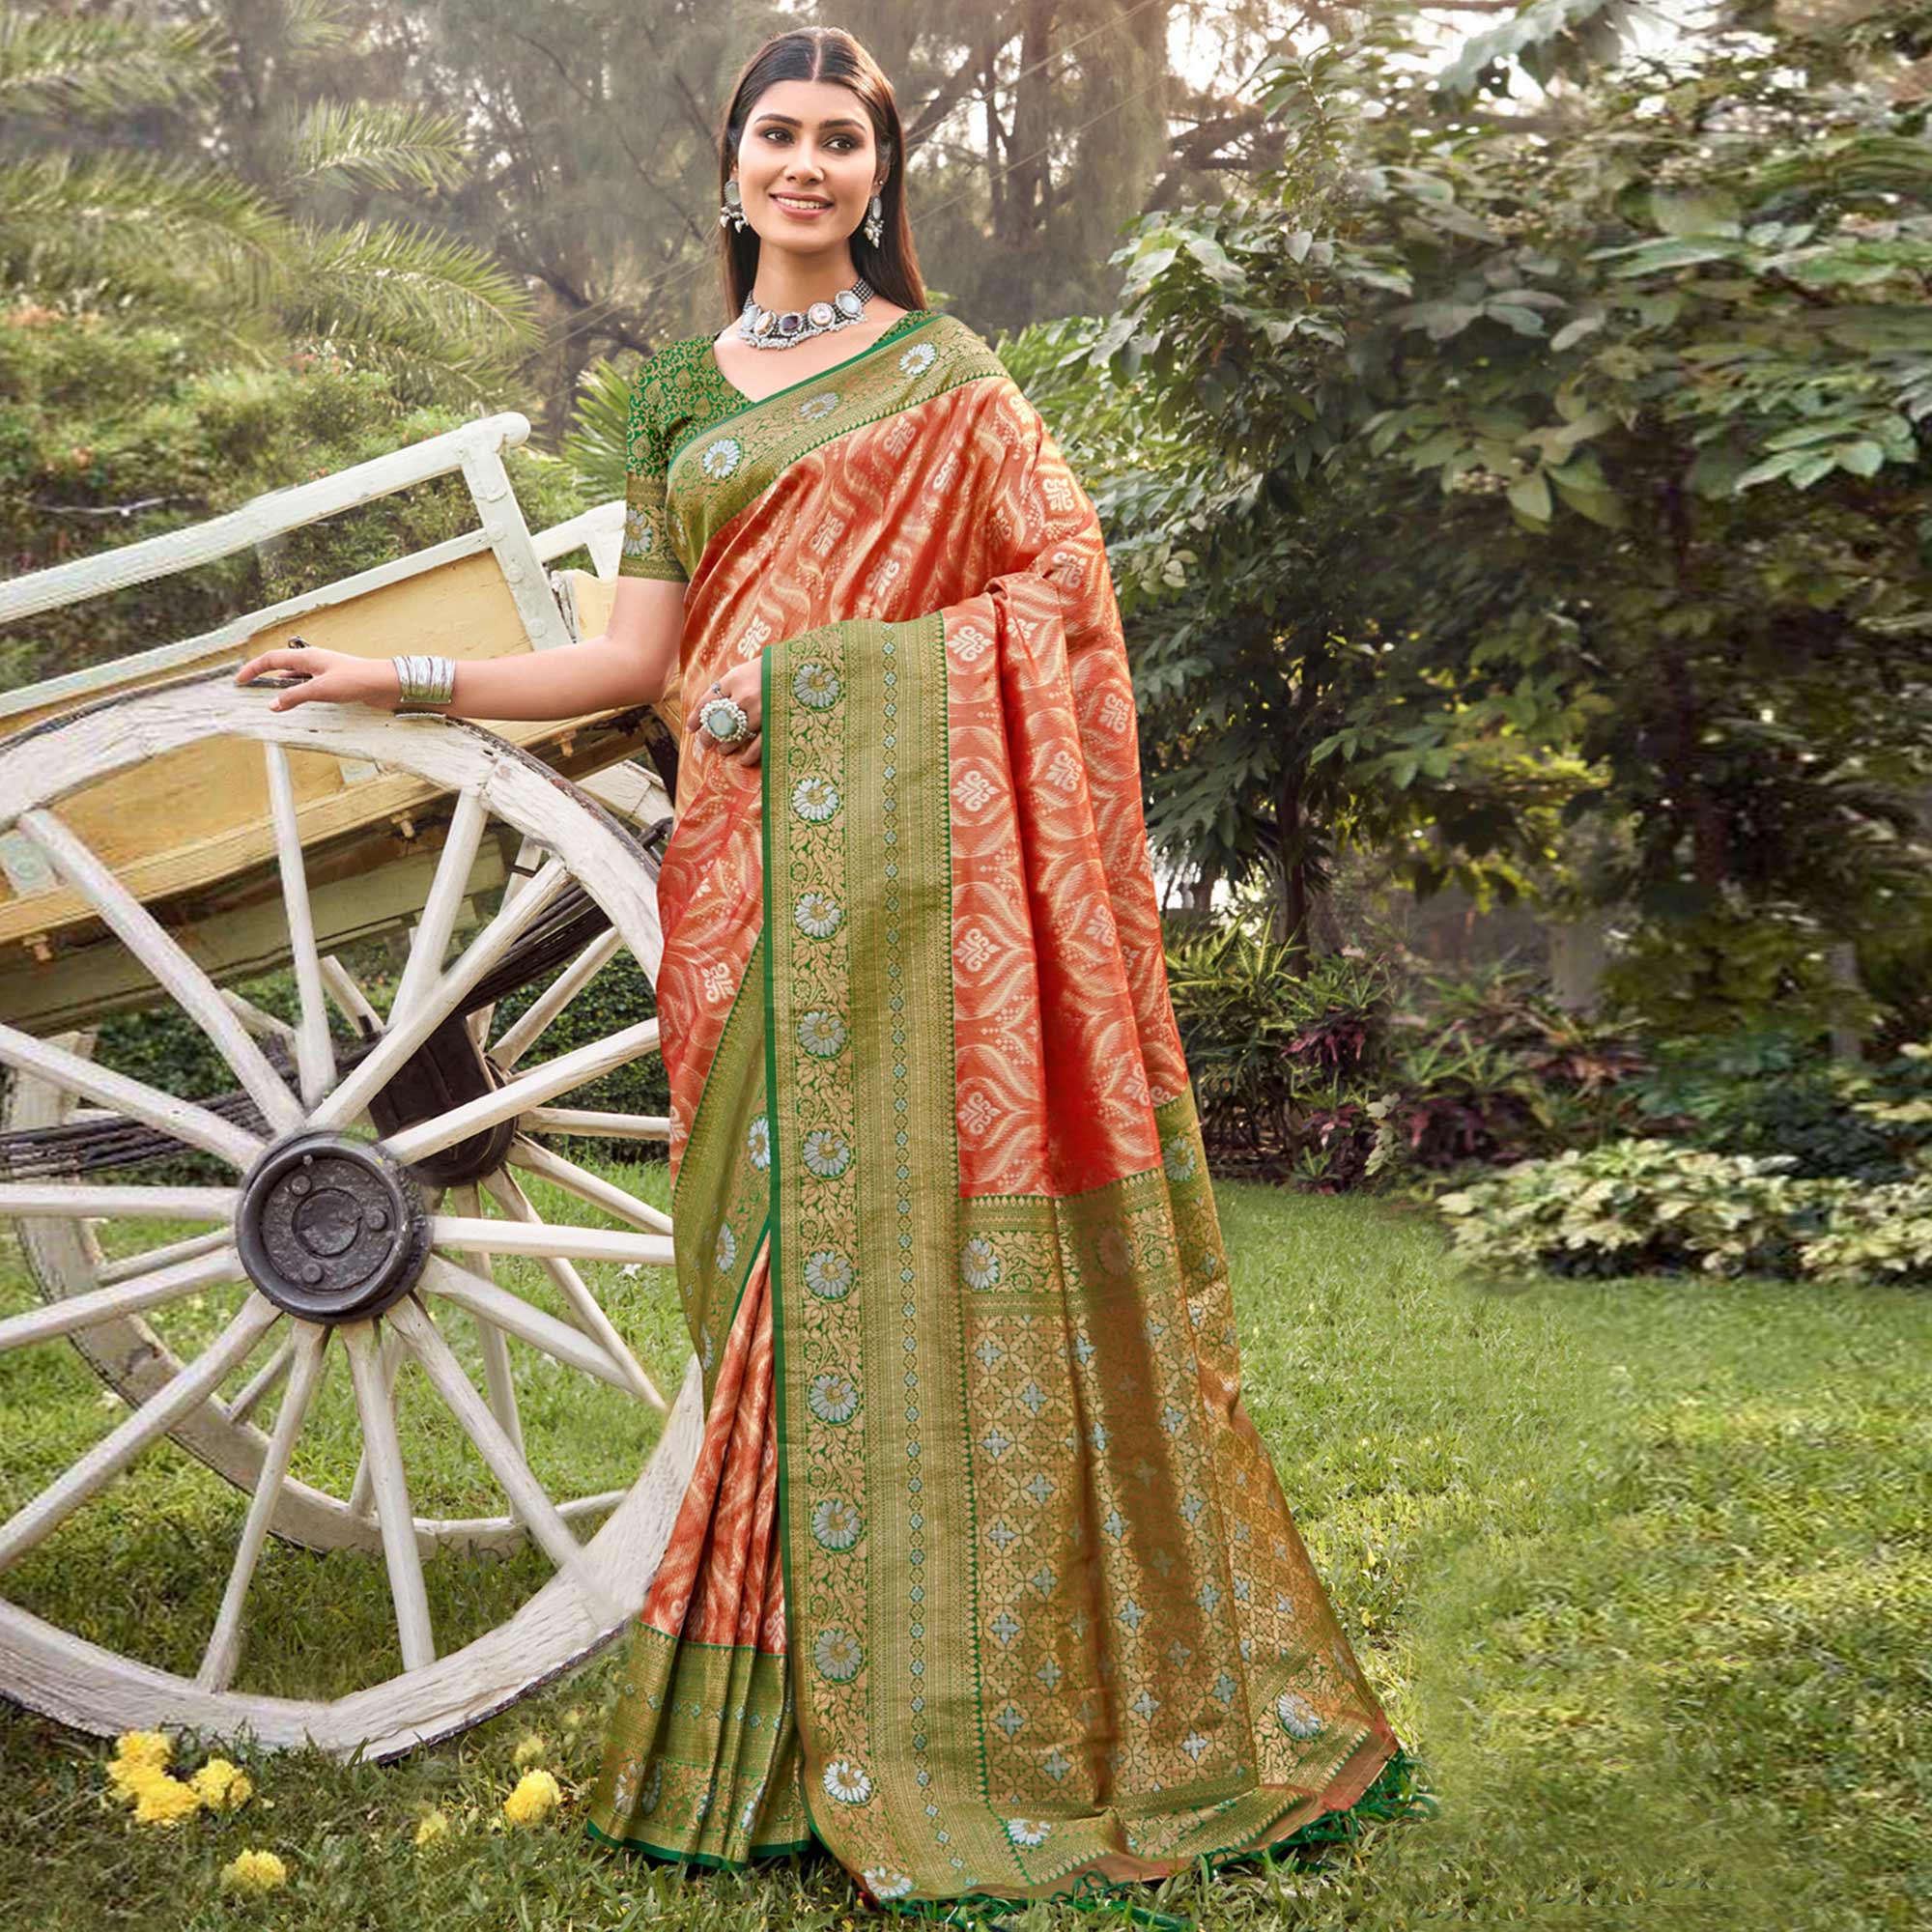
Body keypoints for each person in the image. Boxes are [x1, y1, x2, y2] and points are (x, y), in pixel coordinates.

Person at [234, 24, 1410, 1921]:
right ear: (732, 167)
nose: (805, 163)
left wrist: (820, 680)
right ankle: (769, 1746)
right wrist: (396, 677)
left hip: (927, 893)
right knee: (766, 1286)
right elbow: (629, 665)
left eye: (839, 139)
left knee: (936, 1271)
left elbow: (1064, 600)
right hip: (739, 894)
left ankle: (962, 1728)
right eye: (778, 133)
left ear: (879, 176)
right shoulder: (670, 400)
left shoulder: (948, 379)